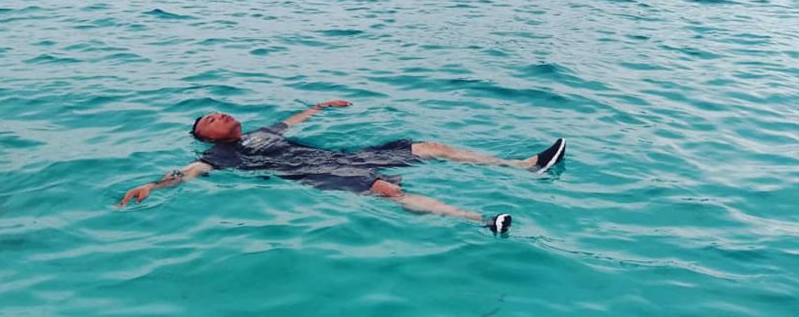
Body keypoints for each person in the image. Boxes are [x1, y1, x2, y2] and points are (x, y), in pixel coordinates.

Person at [118, 100, 566, 234]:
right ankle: (482, 221)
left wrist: (319, 107)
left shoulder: (260, 134)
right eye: (211, 121)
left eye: (219, 112)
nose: (220, 116)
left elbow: (292, 121)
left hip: (340, 158)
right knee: (388, 191)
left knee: (425, 146)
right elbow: (186, 174)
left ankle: (523, 165)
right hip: (319, 175)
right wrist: (152, 187)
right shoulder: (218, 157)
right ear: (206, 138)